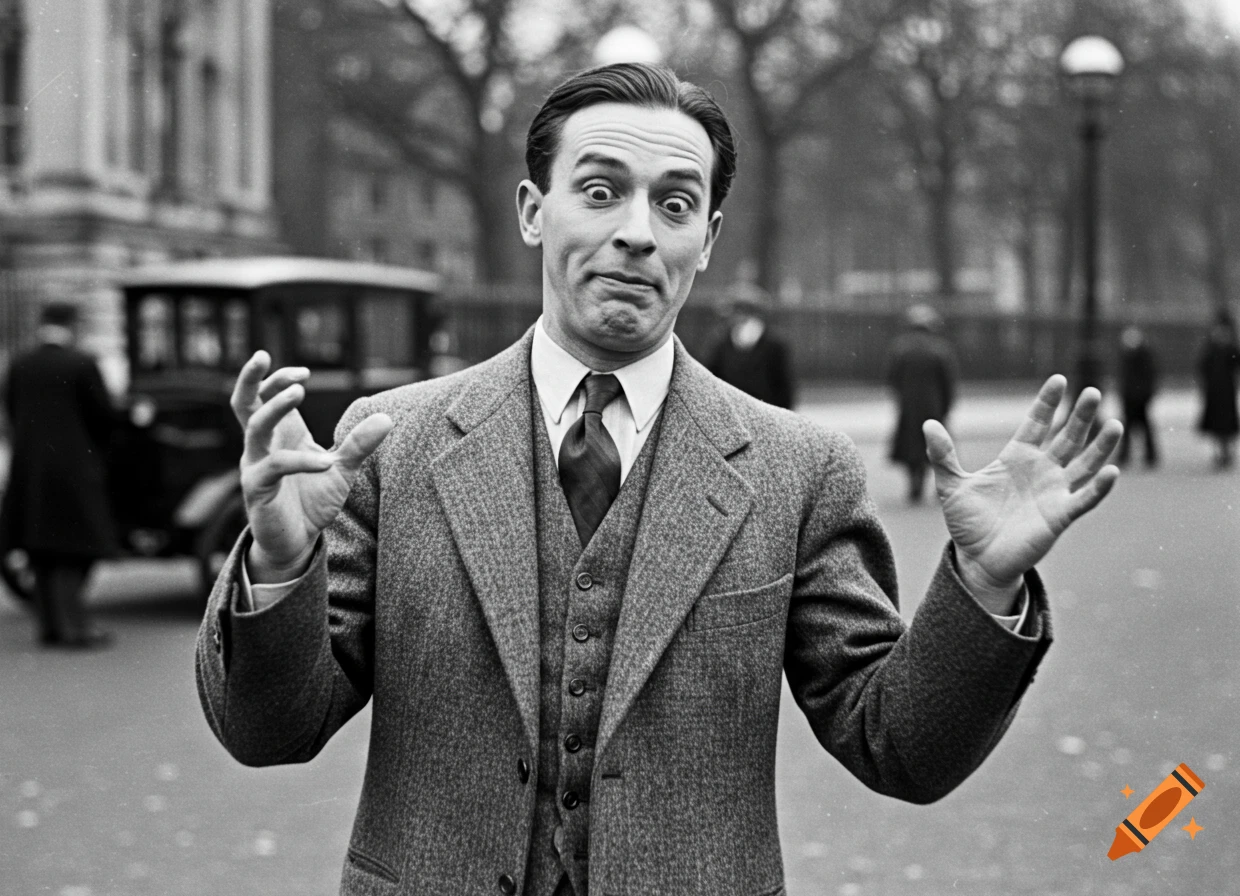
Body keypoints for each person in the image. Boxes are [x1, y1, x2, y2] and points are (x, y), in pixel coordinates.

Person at [196, 64, 1123, 896]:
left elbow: (901, 748)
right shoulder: (392, 444)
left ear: (708, 238)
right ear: (532, 210)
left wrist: (984, 583)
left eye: (674, 206)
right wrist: (280, 562)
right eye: (599, 192)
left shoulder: (800, 471)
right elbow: (269, 731)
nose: (636, 233)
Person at [0, 301, 118, 648]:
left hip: (29, 469)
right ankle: (73, 627)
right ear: (72, 324)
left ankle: (50, 625)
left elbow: (10, 413)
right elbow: (103, 416)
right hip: (73, 467)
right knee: (73, 548)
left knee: (42, 548)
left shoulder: (20, 363)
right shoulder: (81, 363)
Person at [885, 303, 958, 503]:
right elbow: (948, 383)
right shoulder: (940, 349)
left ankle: (914, 485)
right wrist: (946, 405)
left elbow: (892, 379)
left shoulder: (900, 348)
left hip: (909, 406)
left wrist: (902, 397)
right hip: (933, 406)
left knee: (912, 447)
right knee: (936, 446)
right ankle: (940, 486)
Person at [704, 284, 794, 408]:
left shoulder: (774, 344)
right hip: (731, 411)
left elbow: (783, 388)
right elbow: (712, 380)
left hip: (765, 412)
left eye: (738, 312)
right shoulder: (722, 343)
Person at [1197, 311, 1240, 469]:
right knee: (1217, 425)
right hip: (1214, 392)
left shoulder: (1230, 349)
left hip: (1226, 392)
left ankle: (1227, 453)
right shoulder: (1211, 349)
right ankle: (1220, 453)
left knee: (1226, 426)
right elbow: (1203, 368)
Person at [1116, 325, 1158, 468]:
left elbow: (1148, 377)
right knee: (1134, 426)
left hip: (1138, 397)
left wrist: (1144, 394)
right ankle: (1131, 455)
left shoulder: (1141, 356)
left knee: (1140, 426)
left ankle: (1144, 455)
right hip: (1131, 396)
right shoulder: (1130, 355)